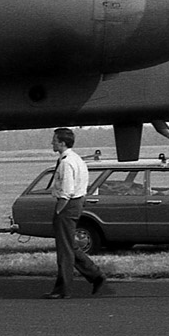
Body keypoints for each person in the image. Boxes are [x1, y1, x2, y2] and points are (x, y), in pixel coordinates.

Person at [44, 127, 109, 299]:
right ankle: (96, 275)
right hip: (76, 203)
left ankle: (63, 289)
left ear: (62, 143)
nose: (52, 142)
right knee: (69, 246)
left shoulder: (66, 163)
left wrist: (59, 210)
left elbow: (67, 191)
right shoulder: (76, 159)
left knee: (64, 251)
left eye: (55, 140)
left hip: (67, 205)